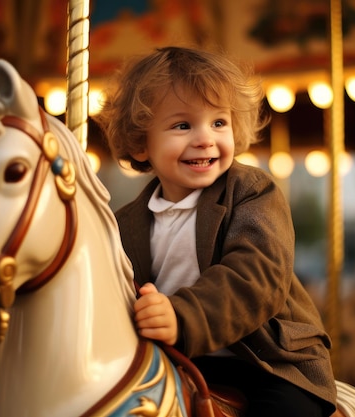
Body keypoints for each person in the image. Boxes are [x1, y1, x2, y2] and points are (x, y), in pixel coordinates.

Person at [95, 46, 337, 417]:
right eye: (183, 125)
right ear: (142, 144)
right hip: (178, 361)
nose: (205, 138)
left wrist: (181, 316)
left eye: (218, 123)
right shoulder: (125, 223)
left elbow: (257, 276)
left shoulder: (253, 191)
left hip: (268, 360)